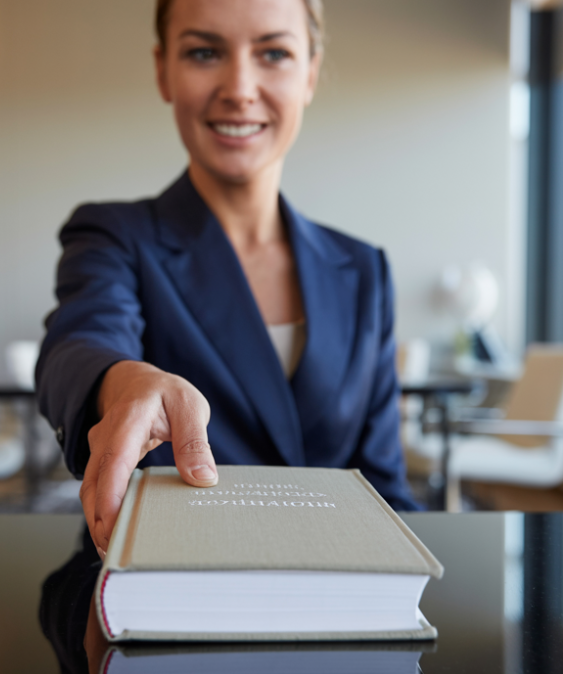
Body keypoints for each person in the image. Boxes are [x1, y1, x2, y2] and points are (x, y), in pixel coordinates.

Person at [37, 0, 421, 555]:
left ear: (310, 72)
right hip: (161, 587)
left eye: (273, 53)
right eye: (204, 52)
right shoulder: (114, 235)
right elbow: (78, 342)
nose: (240, 87)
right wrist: (124, 382)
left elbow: (385, 488)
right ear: (163, 70)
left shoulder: (363, 270)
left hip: (338, 603)